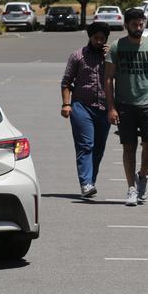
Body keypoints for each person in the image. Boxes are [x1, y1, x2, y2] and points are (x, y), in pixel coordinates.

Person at [105, 8, 148, 206]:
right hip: (125, 104)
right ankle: (131, 188)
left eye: (141, 24)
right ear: (126, 25)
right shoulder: (117, 47)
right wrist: (111, 107)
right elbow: (108, 79)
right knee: (129, 147)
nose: (139, 28)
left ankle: (143, 176)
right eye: (135, 25)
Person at [61, 22, 111, 199]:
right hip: (81, 107)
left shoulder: (111, 56)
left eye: (102, 38)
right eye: (95, 38)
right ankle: (85, 183)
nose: (98, 41)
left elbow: (119, 77)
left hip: (105, 108)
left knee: (98, 148)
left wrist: (110, 57)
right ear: (90, 37)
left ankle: (91, 181)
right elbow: (66, 82)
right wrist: (66, 104)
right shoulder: (77, 56)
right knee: (86, 145)